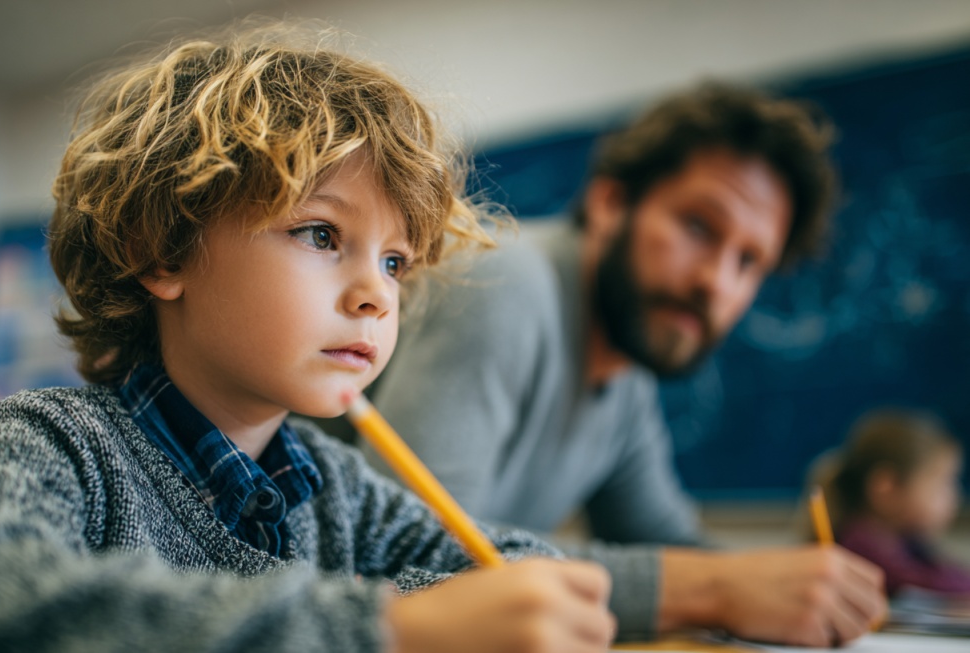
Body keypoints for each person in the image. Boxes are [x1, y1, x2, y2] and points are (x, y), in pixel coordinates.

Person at [0, 24, 615, 653]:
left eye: (393, 261)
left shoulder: (337, 487)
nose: (375, 294)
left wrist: (468, 607)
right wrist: (386, 624)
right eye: (321, 233)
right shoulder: (57, 443)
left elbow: (519, 564)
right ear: (163, 249)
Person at [360, 82, 887, 646]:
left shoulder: (625, 365)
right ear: (610, 203)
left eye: (749, 261)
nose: (717, 282)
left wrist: (801, 588)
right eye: (698, 227)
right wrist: (714, 588)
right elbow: (405, 559)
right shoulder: (505, 281)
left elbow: (662, 539)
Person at [814, 409, 970, 596]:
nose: (955, 496)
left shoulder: (909, 543)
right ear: (887, 489)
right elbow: (919, 584)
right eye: (942, 482)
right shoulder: (859, 544)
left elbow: (946, 572)